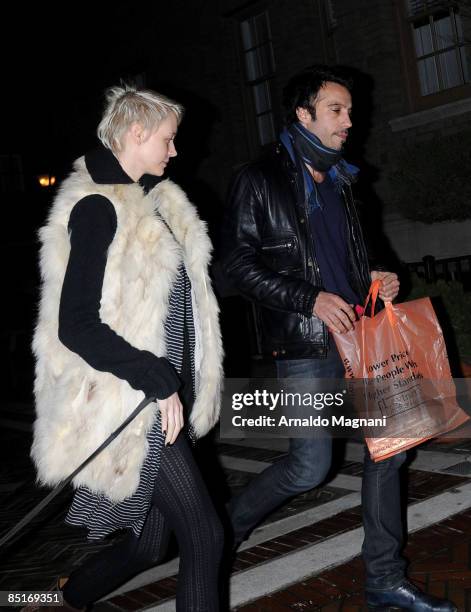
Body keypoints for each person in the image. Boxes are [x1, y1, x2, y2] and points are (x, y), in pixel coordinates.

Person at [222, 66, 456, 612]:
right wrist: (309, 299)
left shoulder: (343, 180)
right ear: (303, 115)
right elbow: (237, 265)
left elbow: (349, 258)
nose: (350, 121)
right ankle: (222, 530)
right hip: (307, 342)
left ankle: (384, 579)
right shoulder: (258, 179)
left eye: (349, 110)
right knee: (308, 466)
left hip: (364, 340)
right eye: (337, 110)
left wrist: (377, 274)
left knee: (390, 454)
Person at [31, 84, 224, 611]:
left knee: (149, 544)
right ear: (136, 134)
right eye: (168, 138)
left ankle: (56, 602)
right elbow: (76, 325)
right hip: (133, 403)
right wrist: (158, 380)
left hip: (159, 399)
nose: (174, 150)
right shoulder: (98, 207)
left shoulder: (152, 201)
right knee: (205, 537)